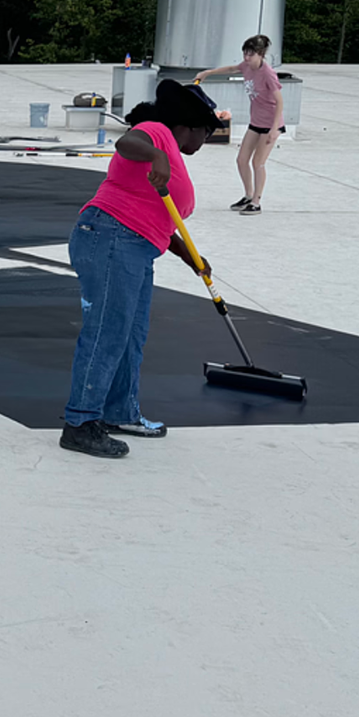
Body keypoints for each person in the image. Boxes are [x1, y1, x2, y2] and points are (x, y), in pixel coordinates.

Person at [61, 78, 222, 458]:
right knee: (107, 332)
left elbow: (154, 214)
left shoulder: (169, 149)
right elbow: (126, 143)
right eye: (206, 133)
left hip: (136, 244)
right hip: (112, 237)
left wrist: (187, 255)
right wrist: (158, 155)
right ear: (192, 126)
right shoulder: (156, 132)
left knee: (131, 335)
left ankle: (119, 412)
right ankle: (80, 423)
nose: (204, 142)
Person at [195, 35, 283, 214]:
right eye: (245, 54)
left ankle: (257, 202)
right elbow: (231, 68)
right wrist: (207, 73)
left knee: (258, 163)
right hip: (256, 122)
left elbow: (280, 102)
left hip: (270, 124)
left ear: (260, 54)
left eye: (250, 54)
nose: (246, 58)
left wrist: (275, 129)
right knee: (242, 160)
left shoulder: (268, 74)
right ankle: (248, 195)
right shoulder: (247, 67)